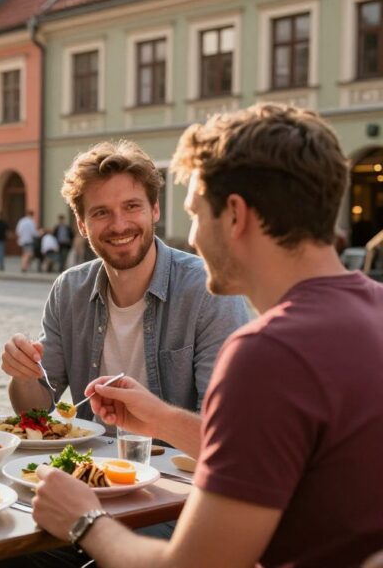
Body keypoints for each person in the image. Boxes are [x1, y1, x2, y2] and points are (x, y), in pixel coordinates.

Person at [24, 104, 383, 567]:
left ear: (234, 215)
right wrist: (159, 419)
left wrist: (85, 520)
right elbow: (269, 451)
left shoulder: (267, 354)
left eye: (195, 212)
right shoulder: (371, 307)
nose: (191, 237)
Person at [2, 140, 249, 423]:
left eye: (132, 206)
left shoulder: (209, 291)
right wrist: (23, 376)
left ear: (154, 209)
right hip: (89, 465)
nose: (119, 225)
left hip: (175, 465)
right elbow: (34, 411)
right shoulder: (69, 290)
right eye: (101, 212)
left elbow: (225, 426)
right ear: (82, 224)